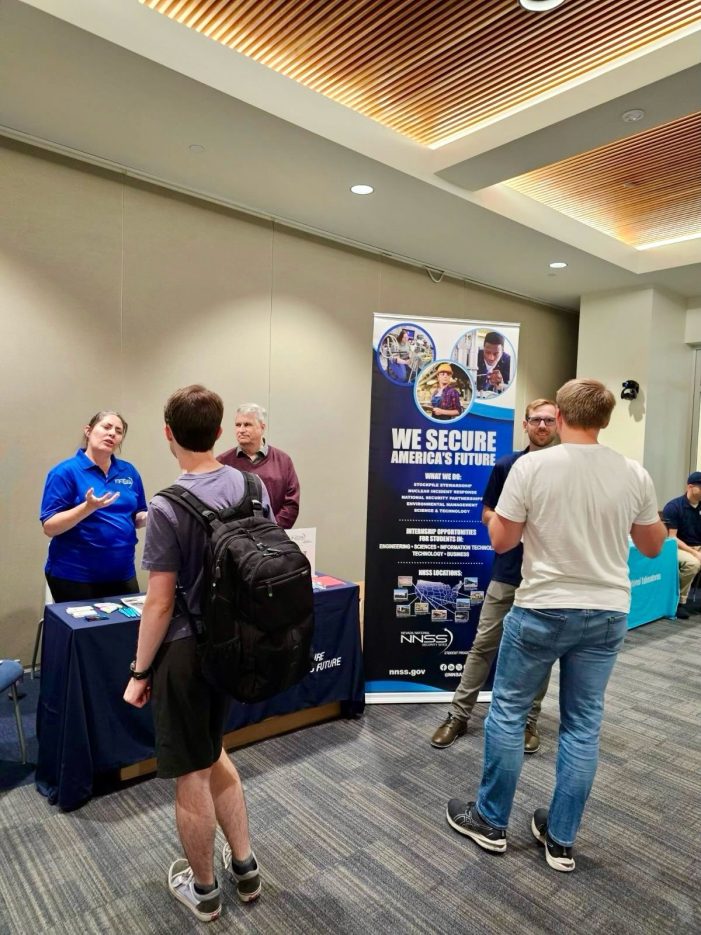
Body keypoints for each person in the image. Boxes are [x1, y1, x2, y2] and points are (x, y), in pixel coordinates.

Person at [446, 379, 665, 872]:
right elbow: (652, 546)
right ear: (605, 421)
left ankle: (491, 821)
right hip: (607, 611)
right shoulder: (634, 473)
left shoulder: (531, 466)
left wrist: (501, 518)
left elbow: (502, 542)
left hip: (542, 606)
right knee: (583, 726)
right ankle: (561, 839)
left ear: (560, 418)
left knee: (506, 714)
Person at [124, 385, 272, 922]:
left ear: (168, 435)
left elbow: (160, 604)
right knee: (213, 751)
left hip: (188, 652)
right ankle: (246, 866)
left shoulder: (165, 506)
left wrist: (140, 671)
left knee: (190, 770)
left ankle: (205, 891)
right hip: (240, 647)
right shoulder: (253, 485)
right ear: (218, 433)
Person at [430, 399, 558, 754]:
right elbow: (487, 513)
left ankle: (530, 719)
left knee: (540, 652)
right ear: (526, 425)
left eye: (549, 420)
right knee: (484, 645)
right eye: (536, 420)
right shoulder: (507, 465)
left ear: (558, 422)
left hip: (549, 577)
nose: (543, 426)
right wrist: (512, 525)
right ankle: (458, 715)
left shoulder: (567, 468)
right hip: (508, 571)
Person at [40, 411, 148, 602]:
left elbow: (137, 516)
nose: (112, 434)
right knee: (88, 632)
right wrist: (87, 508)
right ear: (88, 431)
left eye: (118, 431)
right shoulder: (65, 472)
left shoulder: (129, 471)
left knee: (126, 630)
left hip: (122, 572)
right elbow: (50, 527)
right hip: (75, 576)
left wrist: (151, 516)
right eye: (106, 427)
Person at [217, 403, 300, 529]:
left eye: (247, 424)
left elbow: (291, 503)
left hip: (275, 536)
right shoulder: (223, 462)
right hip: (236, 540)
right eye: (238, 425)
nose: (241, 430)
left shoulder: (283, 461)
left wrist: (274, 530)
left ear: (262, 427)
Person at [661, 472, 701, 619]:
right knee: (693, 564)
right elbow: (672, 538)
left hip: (697, 546)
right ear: (691, 487)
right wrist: (695, 552)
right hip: (677, 547)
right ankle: (679, 602)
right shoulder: (674, 507)